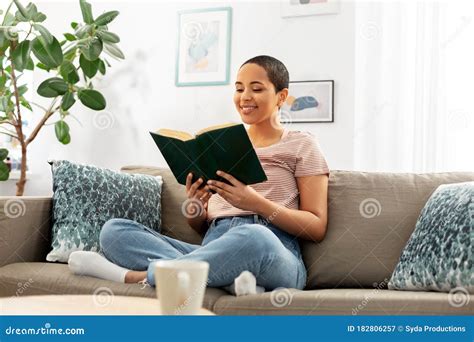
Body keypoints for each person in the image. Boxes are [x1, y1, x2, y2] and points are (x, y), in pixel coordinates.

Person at [69, 55, 329, 295]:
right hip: (213, 247)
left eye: (257, 88)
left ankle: (136, 277)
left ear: (281, 97)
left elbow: (316, 227)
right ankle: (225, 279)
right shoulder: (224, 145)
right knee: (114, 231)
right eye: (239, 89)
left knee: (255, 237)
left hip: (274, 251)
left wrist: (255, 204)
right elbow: (200, 227)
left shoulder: (301, 144)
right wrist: (196, 206)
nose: (245, 96)